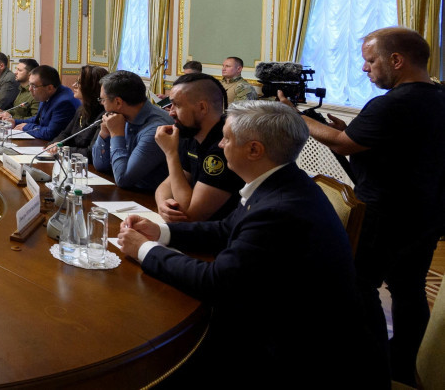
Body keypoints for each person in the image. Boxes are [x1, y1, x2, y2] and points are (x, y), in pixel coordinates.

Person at [117, 101, 383, 388]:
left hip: (297, 357)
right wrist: (162, 232)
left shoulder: (279, 209)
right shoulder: (283, 181)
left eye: (227, 138)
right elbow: (224, 229)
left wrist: (144, 250)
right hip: (285, 323)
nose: (219, 145)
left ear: (254, 150)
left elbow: (216, 282)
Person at [290, 26, 445, 382]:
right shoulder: (437, 96)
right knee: (409, 288)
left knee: (359, 283)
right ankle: (404, 361)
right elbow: (400, 146)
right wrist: (345, 129)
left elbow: (344, 144)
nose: (365, 68)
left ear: (396, 59)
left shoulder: (395, 102)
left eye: (370, 60)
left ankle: (370, 361)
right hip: (426, 213)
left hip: (386, 214)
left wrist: (296, 118)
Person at [153, 72, 241, 222]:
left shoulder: (225, 146)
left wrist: (170, 153)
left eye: (177, 105)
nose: (171, 112)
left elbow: (190, 215)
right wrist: (164, 205)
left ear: (202, 108)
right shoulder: (191, 133)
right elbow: (166, 185)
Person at [91, 70, 172, 191]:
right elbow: (100, 165)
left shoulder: (156, 128)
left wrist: (116, 134)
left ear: (118, 102)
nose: (102, 103)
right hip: (130, 193)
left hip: (151, 199)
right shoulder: (120, 117)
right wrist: (104, 134)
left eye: (103, 99)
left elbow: (123, 179)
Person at [45, 65, 108, 157]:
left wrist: (63, 150)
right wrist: (56, 143)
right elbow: (65, 133)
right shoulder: (81, 109)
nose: (74, 85)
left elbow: (91, 153)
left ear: (91, 88)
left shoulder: (104, 115)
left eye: (79, 83)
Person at [3, 65, 79, 141]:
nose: (30, 89)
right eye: (29, 84)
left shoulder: (64, 103)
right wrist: (15, 121)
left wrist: (26, 127)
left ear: (49, 88)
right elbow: (38, 120)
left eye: (34, 86)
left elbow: (50, 133)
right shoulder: (46, 94)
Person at [0, 58, 39, 122]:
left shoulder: (35, 93)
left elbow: (36, 119)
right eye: (16, 69)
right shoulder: (21, 89)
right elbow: (17, 111)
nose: (15, 73)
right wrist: (4, 112)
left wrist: (12, 117)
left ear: (30, 75)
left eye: (19, 70)